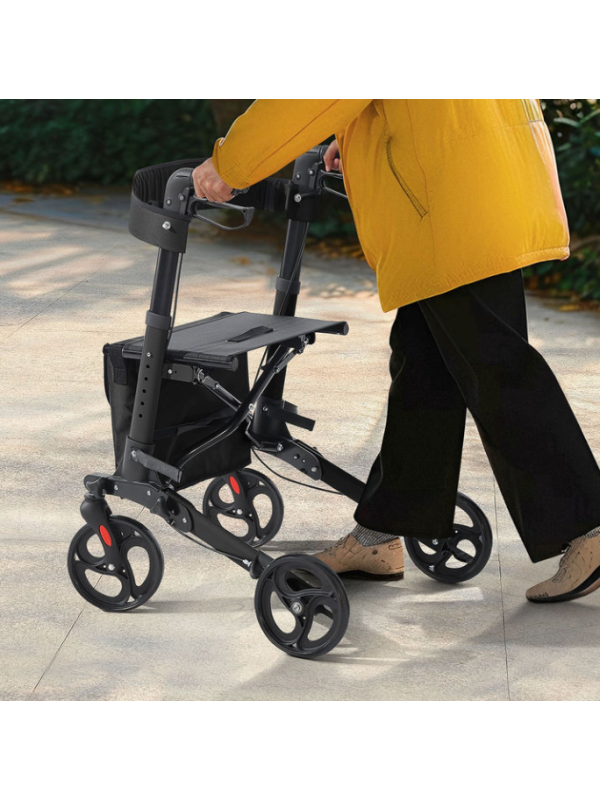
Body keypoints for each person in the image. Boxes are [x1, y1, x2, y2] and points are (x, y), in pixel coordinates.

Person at [192, 99, 600, 603]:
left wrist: (231, 164)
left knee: (498, 369)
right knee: (424, 371)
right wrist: (357, 136)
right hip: (470, 176)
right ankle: (380, 533)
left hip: (446, 195)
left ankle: (589, 526)